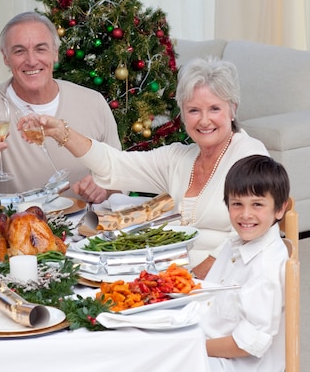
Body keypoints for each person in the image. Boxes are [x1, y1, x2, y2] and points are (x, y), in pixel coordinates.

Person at [22, 57, 270, 278]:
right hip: (173, 274)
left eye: (214, 109)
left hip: (224, 280)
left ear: (232, 110)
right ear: (183, 114)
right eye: (194, 110)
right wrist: (61, 133)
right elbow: (114, 165)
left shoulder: (249, 154)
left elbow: (244, 237)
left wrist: (193, 280)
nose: (204, 120)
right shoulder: (179, 158)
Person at [0, 11, 122, 204]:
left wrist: (104, 186)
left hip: (86, 227)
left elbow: (120, 174)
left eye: (41, 49)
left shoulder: (93, 102)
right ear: (5, 57)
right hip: (14, 226)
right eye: (19, 51)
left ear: (55, 53)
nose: (32, 61)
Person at [202, 154, 288, 371]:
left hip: (232, 363)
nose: (246, 214)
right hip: (212, 343)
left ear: (280, 209)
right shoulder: (235, 244)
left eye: (257, 204)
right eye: (237, 204)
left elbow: (248, 343)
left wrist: (194, 347)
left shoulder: (265, 267)